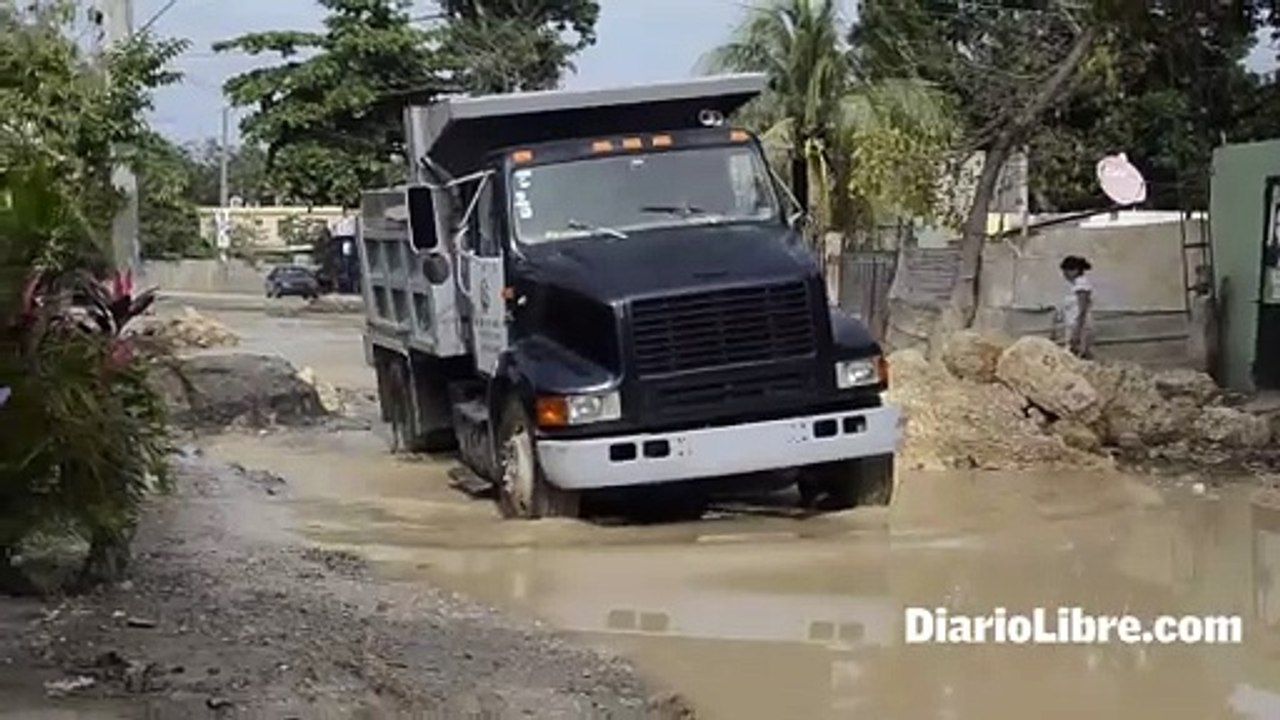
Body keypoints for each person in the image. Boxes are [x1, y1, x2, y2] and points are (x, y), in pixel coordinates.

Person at [1059, 255, 1094, 358]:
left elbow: (1082, 309)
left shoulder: (1081, 285)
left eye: (1066, 271)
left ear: (1074, 271)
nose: (1064, 275)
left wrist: (1076, 332)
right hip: (1074, 326)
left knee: (1077, 355)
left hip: (1080, 327)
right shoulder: (1076, 285)